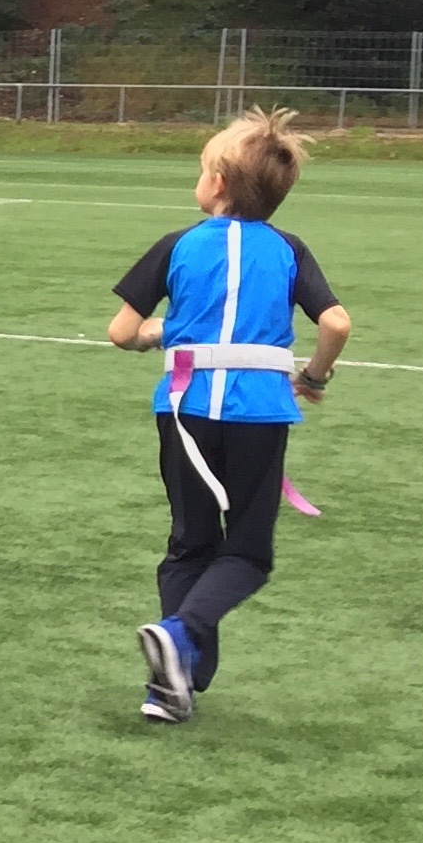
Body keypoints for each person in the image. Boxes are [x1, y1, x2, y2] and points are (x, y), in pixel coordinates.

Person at [107, 107, 352, 724]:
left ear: (216, 184)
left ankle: (173, 672)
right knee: (246, 552)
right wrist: (313, 377)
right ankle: (180, 653)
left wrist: (158, 334)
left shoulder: (178, 244)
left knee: (190, 544)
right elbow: (336, 322)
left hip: (184, 408)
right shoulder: (290, 249)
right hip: (259, 413)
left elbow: (122, 332)